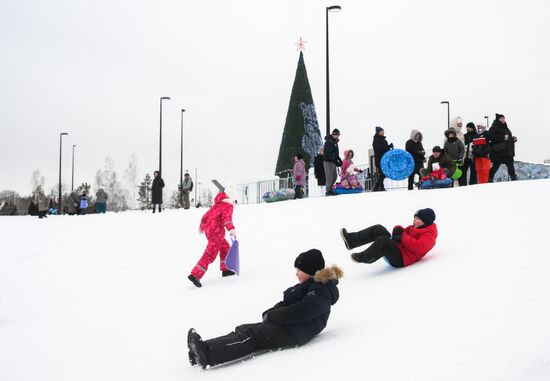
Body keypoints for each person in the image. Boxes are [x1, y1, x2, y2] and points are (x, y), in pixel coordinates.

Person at [187, 249, 343, 369]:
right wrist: (271, 313)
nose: (296, 273)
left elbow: (300, 312)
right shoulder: (310, 287)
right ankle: (200, 352)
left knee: (252, 336)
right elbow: (286, 302)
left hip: (294, 333)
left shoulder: (321, 292)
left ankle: (207, 353)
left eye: (299, 270)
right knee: (244, 329)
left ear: (310, 271)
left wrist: (273, 317)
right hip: (288, 328)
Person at [340, 208, 437, 267]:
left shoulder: (429, 234)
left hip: (401, 259)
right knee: (378, 229)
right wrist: (398, 229)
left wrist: (402, 237)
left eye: (418, 219)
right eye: (414, 218)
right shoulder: (417, 227)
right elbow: (405, 232)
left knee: (384, 241)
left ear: (426, 221)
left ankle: (365, 257)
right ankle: (351, 240)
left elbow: (420, 247)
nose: (414, 221)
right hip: (398, 249)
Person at [188, 191, 237, 287]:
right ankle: (195, 275)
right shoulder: (228, 206)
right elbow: (226, 219)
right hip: (217, 233)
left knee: (225, 247)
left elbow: (204, 218)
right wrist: (231, 229)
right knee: (210, 254)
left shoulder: (215, 207)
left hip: (210, 232)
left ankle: (225, 269)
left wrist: (201, 228)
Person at [487, 114, 517, 182]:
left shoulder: (506, 128)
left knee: (510, 165)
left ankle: (514, 179)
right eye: (501, 118)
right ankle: (489, 179)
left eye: (504, 118)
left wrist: (513, 139)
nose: (503, 120)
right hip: (499, 152)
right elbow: (490, 137)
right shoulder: (494, 127)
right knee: (495, 166)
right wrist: (502, 137)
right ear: (498, 119)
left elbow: (507, 139)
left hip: (507, 152)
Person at [372, 126, 393, 192]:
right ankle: (381, 187)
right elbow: (378, 149)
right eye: (381, 131)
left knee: (383, 173)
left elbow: (385, 149)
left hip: (384, 159)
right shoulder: (376, 140)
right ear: (378, 132)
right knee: (382, 173)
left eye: (383, 131)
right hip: (379, 160)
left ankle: (376, 187)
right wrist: (387, 147)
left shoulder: (384, 140)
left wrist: (389, 147)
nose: (383, 132)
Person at [323, 129, 342, 195]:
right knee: (330, 176)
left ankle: (330, 189)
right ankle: (328, 191)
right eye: (336, 135)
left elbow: (335, 154)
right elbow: (329, 153)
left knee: (334, 176)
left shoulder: (335, 142)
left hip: (333, 161)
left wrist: (339, 160)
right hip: (328, 161)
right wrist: (335, 161)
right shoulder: (329, 141)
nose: (337, 136)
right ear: (333, 134)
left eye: (338, 135)